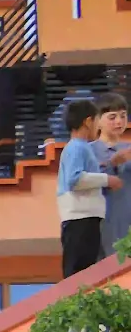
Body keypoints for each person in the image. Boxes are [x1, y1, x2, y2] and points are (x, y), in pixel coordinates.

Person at [59, 98, 120, 278]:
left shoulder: (78, 148)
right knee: (79, 278)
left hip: (84, 219)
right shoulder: (78, 148)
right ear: (87, 121)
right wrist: (107, 179)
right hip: (81, 219)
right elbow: (75, 180)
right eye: (96, 121)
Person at [96, 93, 131, 256]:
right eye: (112, 117)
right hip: (105, 219)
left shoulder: (129, 148)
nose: (119, 121)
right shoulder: (88, 151)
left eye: (123, 116)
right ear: (98, 121)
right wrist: (112, 164)